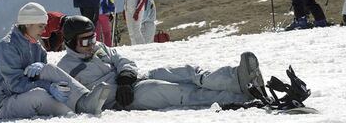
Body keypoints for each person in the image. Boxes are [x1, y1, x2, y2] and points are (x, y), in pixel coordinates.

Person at [57, 16, 264, 111]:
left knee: (187, 71)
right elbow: (82, 100)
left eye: (93, 38)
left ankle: (238, 78)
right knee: (176, 91)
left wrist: (126, 76)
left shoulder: (99, 47)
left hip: (134, 80)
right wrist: (118, 91)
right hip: (125, 99)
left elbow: (122, 60)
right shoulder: (66, 69)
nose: (92, 44)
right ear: (71, 42)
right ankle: (238, 98)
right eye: (86, 41)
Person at [0, 2, 111, 119]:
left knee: (49, 70)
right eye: (41, 26)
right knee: (39, 95)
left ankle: (84, 101)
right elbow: (15, 84)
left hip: (29, 95)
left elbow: (45, 76)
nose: (44, 30)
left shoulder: (37, 48)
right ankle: (72, 116)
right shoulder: (7, 47)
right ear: (28, 24)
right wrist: (49, 86)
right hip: (6, 103)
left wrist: (56, 85)